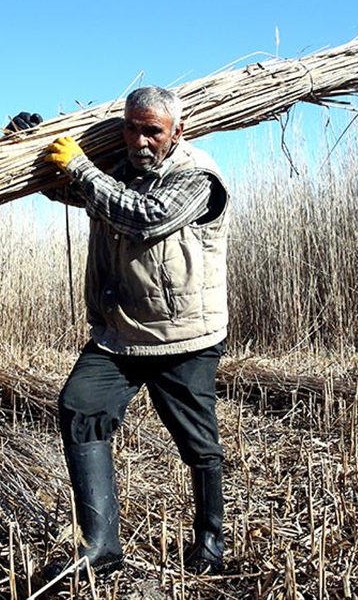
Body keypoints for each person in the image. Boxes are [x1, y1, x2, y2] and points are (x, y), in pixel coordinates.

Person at [27, 86, 230, 580]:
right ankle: (100, 546)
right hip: (118, 335)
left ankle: (211, 541)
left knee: (196, 441)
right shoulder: (116, 173)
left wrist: (80, 167)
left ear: (176, 133)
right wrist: (28, 146)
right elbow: (64, 189)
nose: (139, 140)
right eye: (131, 127)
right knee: (80, 407)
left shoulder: (198, 177)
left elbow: (146, 218)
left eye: (152, 130)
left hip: (182, 335)